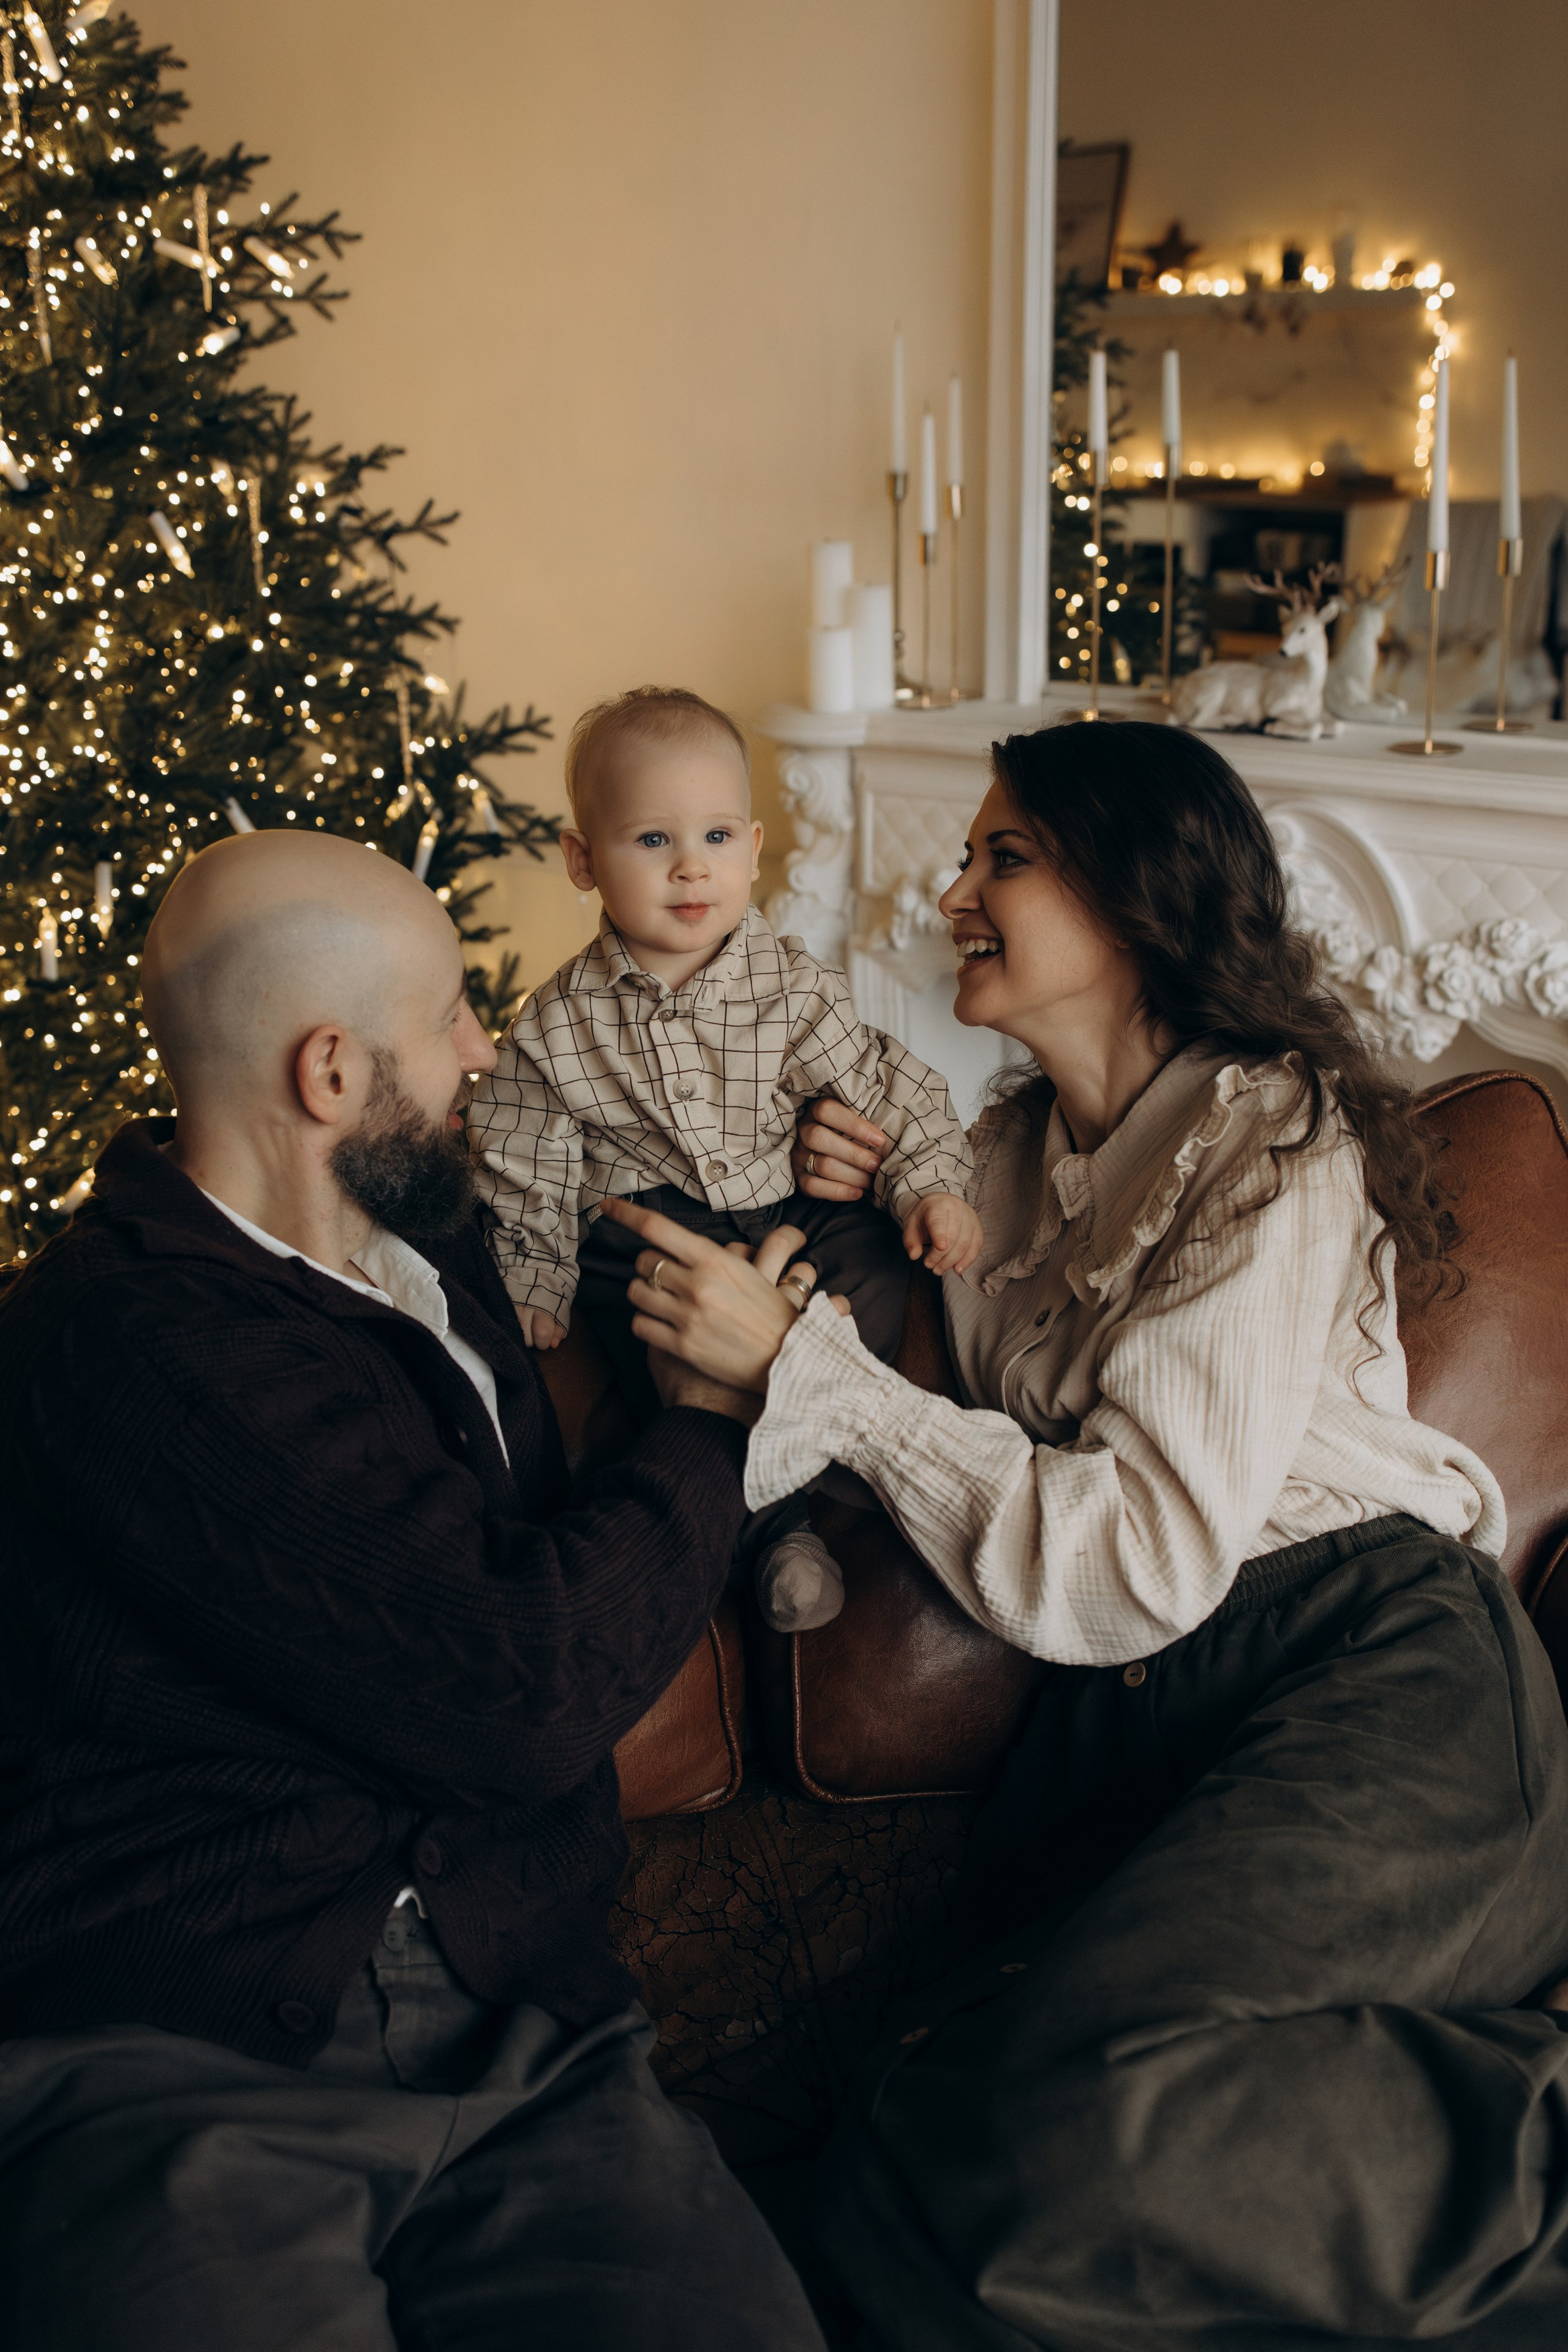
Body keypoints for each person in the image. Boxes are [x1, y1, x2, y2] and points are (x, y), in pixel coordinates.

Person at [597, 718, 1568, 2350]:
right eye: (969, 850)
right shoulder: (985, 1169)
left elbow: (1137, 1559)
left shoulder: (1276, 1134)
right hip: (1138, 1731)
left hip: (1371, 1673)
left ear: (1132, 901)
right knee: (907, 2170)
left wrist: (808, 1377)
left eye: (1006, 856)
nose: (955, 886)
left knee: (1072, 2144)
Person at [0, 829, 827, 2352]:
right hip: (179, 2067)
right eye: (450, 1012)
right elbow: (523, 1686)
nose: (481, 1046)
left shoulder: (431, 1247)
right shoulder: (128, 1341)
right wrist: (712, 1425)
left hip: (533, 2043)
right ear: (329, 1074)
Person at [469, 683, 980, 1632]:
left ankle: (831, 1436)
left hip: (792, 1205)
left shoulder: (793, 988)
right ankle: (776, 1530)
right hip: (656, 1220)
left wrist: (932, 1185)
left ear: (751, 850)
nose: (688, 869)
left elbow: (880, 1091)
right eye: (652, 841)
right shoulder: (557, 1019)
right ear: (584, 861)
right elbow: (520, 1151)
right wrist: (534, 1274)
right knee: (646, 1320)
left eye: (712, 838)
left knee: (867, 1261)